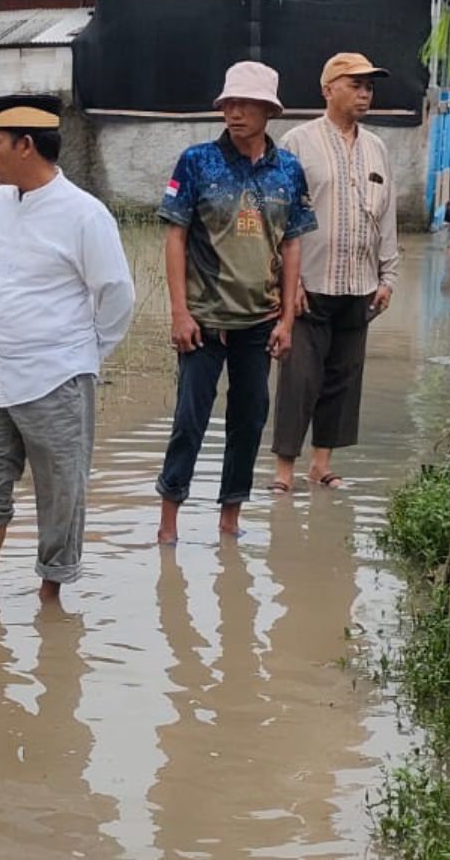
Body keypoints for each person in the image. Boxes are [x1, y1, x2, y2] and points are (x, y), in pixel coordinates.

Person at [0, 94, 135, 601]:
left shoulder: (84, 215)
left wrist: (83, 358)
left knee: (60, 496)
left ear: (26, 146)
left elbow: (117, 296)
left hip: (56, 379)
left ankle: (51, 599)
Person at [155, 61, 317, 544]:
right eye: (228, 103)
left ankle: (230, 522)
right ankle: (168, 527)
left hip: (259, 324)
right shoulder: (197, 161)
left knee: (248, 423)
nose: (235, 112)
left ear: (269, 111)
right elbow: (175, 237)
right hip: (203, 323)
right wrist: (180, 312)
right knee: (189, 421)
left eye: (246, 104)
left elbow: (291, 245)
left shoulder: (288, 170)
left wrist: (287, 320)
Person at [270, 52, 399, 493]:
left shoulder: (377, 148)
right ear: (328, 89)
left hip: (359, 285)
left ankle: (320, 464)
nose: (365, 93)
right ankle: (283, 471)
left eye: (369, 87)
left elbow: (388, 218)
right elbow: (278, 217)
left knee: (344, 377)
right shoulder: (296, 143)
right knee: (299, 376)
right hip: (309, 283)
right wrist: (288, 281)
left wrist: (389, 277)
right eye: (355, 84)